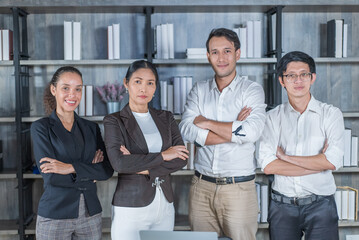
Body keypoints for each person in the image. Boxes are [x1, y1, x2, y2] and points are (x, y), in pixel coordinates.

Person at [179, 28, 266, 240]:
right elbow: (186, 130)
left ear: (238, 53)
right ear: (208, 56)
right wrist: (234, 127)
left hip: (238, 189)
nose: (221, 58)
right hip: (201, 187)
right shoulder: (199, 90)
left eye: (227, 51)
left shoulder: (251, 90)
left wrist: (207, 123)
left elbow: (252, 132)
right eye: (215, 52)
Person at [258, 51, 344, 240]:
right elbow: (268, 165)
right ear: (282, 80)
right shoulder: (272, 118)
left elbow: (332, 161)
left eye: (304, 74)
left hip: (321, 205)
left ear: (312, 77)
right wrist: (317, 163)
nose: (298, 80)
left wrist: (286, 157)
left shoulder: (331, 114)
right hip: (282, 207)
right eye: (291, 75)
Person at [103, 60, 188, 240]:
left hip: (164, 206)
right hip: (131, 208)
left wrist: (139, 165)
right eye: (138, 82)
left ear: (156, 87)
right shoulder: (114, 120)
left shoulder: (166, 117)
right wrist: (164, 155)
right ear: (126, 84)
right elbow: (119, 163)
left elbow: (181, 158)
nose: (144, 89)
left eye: (150, 83)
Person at [31, 66, 114, 240]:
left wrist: (69, 167)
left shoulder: (91, 128)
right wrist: (89, 171)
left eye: (78, 89)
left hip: (90, 215)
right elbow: (52, 177)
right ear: (54, 90)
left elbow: (106, 170)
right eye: (66, 88)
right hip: (55, 213)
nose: (72, 94)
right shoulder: (41, 128)